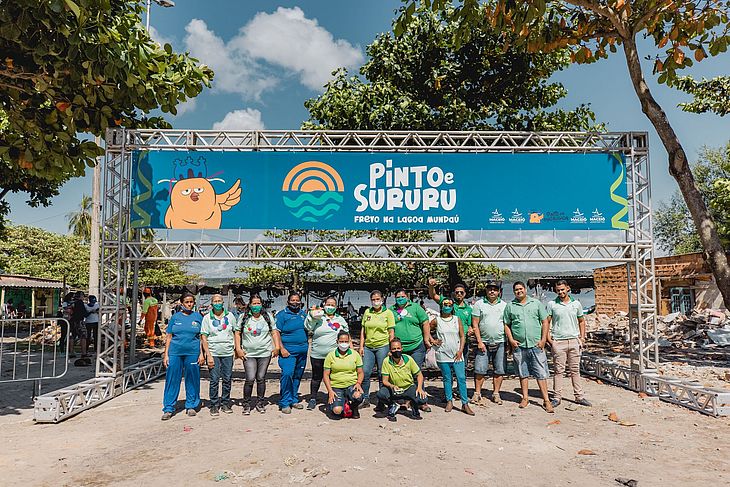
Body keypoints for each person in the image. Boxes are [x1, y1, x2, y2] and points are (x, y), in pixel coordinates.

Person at [503, 281, 553, 413]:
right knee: (522, 372)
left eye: (521, 289)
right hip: (519, 345)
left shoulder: (536, 303)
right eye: (516, 290)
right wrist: (511, 340)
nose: (519, 291)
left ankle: (546, 400)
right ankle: (525, 398)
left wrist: (543, 340)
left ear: (525, 289)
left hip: (536, 344)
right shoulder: (510, 306)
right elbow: (506, 324)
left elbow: (545, 321)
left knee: (541, 373)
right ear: (514, 292)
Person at [547, 280, 591, 408]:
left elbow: (581, 321)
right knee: (558, 371)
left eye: (562, 289)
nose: (560, 292)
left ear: (568, 288)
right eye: (558, 290)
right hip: (558, 342)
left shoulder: (576, 304)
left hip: (574, 340)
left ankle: (579, 396)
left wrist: (582, 338)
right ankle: (557, 397)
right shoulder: (552, 304)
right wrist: (550, 341)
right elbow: (546, 323)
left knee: (575, 370)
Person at [161, 292, 204, 420]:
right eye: (187, 302)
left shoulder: (198, 317)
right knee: (172, 379)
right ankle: (168, 408)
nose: (189, 304)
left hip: (192, 352)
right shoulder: (175, 317)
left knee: (192, 379)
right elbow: (169, 336)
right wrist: (166, 355)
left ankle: (191, 405)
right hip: (175, 353)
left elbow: (202, 337)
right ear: (181, 303)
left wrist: (202, 354)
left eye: (191, 302)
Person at [428, 299, 474, 415]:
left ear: (452, 306)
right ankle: (449, 401)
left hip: (457, 354)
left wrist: (461, 350)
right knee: (447, 378)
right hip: (443, 354)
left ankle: (465, 403)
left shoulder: (456, 319)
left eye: (449, 305)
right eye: (445, 304)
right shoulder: (437, 320)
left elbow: (462, 336)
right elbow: (426, 329)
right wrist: (432, 340)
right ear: (441, 306)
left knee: (461, 378)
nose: (447, 306)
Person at [235, 295, 279, 415]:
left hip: (265, 352)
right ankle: (246, 404)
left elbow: (274, 332)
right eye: (254, 304)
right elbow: (237, 333)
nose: (256, 306)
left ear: (261, 304)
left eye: (258, 303)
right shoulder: (243, 317)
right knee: (250, 378)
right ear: (249, 305)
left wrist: (277, 347)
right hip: (248, 353)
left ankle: (260, 403)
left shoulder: (268, 316)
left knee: (261, 378)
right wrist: (238, 349)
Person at [428, 277, 473, 397]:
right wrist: (431, 286)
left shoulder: (468, 309)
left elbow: (470, 325)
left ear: (465, 294)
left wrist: (470, 329)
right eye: (456, 292)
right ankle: (449, 395)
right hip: (446, 345)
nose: (459, 294)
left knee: (461, 372)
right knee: (448, 374)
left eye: (461, 292)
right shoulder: (447, 301)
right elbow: (434, 295)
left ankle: (459, 392)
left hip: (462, 344)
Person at [305, 296, 349, 410]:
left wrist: (351, 350)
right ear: (324, 304)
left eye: (333, 305)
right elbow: (308, 327)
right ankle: (313, 398)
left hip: (334, 355)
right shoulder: (318, 316)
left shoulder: (340, 319)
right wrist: (311, 315)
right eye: (328, 304)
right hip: (317, 353)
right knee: (316, 377)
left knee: (335, 377)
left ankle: (336, 397)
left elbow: (346, 335)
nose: (330, 307)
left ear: (336, 306)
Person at [471, 280, 508, 404]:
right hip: (484, 342)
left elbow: (507, 324)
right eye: (490, 289)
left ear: (499, 291)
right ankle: (477, 393)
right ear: (486, 290)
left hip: (500, 341)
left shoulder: (504, 305)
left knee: (499, 370)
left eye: (495, 289)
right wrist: (479, 341)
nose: (492, 291)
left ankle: (496, 393)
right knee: (480, 369)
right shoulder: (479, 304)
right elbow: (475, 323)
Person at [201, 294, 237, 416]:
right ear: (211, 303)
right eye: (215, 301)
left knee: (227, 379)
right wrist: (208, 355)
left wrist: (237, 349)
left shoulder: (230, 316)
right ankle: (214, 404)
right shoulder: (207, 318)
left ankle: (225, 403)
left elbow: (235, 333)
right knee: (214, 380)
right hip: (213, 352)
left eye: (219, 301)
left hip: (227, 352)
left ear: (223, 302)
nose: (217, 303)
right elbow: (204, 338)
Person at [358, 290, 396, 409]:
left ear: (382, 299)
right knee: (365, 372)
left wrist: (391, 348)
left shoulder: (388, 313)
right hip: (368, 347)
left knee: (382, 373)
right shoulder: (367, 312)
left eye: (378, 299)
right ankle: (365, 398)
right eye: (373, 300)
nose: (376, 301)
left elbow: (391, 332)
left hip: (382, 346)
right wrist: (361, 346)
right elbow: (363, 331)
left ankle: (382, 400)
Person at [272, 292, 308, 414]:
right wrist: (281, 348)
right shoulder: (282, 315)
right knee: (287, 374)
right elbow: (276, 332)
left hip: (302, 351)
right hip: (288, 351)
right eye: (292, 300)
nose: (295, 302)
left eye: (297, 300)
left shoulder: (304, 314)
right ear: (288, 302)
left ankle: (294, 399)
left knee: (297, 376)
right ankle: (285, 402)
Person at [376, 338, 428, 421]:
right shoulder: (386, 361)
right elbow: (384, 380)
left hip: (408, 387)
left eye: (398, 348)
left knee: (422, 398)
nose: (396, 350)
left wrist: (419, 388)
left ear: (402, 349)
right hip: (394, 389)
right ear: (390, 350)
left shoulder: (409, 359)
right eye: (394, 349)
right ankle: (392, 405)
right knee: (381, 394)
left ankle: (414, 406)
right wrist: (392, 386)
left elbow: (419, 375)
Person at [323, 331, 364, 419]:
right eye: (341, 342)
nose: (344, 344)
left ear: (349, 342)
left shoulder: (355, 354)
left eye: (346, 341)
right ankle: (341, 404)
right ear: (337, 342)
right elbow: (326, 375)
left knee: (358, 396)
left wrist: (358, 383)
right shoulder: (330, 356)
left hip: (351, 385)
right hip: (336, 386)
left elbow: (360, 372)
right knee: (337, 411)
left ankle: (353, 407)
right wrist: (330, 391)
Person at [390, 289, 430, 367]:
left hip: (417, 346)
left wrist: (426, 339)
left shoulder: (415, 307)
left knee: (415, 371)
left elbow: (425, 322)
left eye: (402, 296)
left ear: (407, 297)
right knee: (402, 371)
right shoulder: (391, 310)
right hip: (399, 348)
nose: (400, 299)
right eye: (398, 297)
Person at [71, 291, 90, 365]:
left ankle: (71, 352)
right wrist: (90, 312)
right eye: (83, 295)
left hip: (72, 321)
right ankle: (84, 352)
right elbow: (84, 313)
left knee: (72, 336)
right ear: (80, 296)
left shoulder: (72, 302)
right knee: (83, 336)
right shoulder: (80, 303)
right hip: (79, 321)